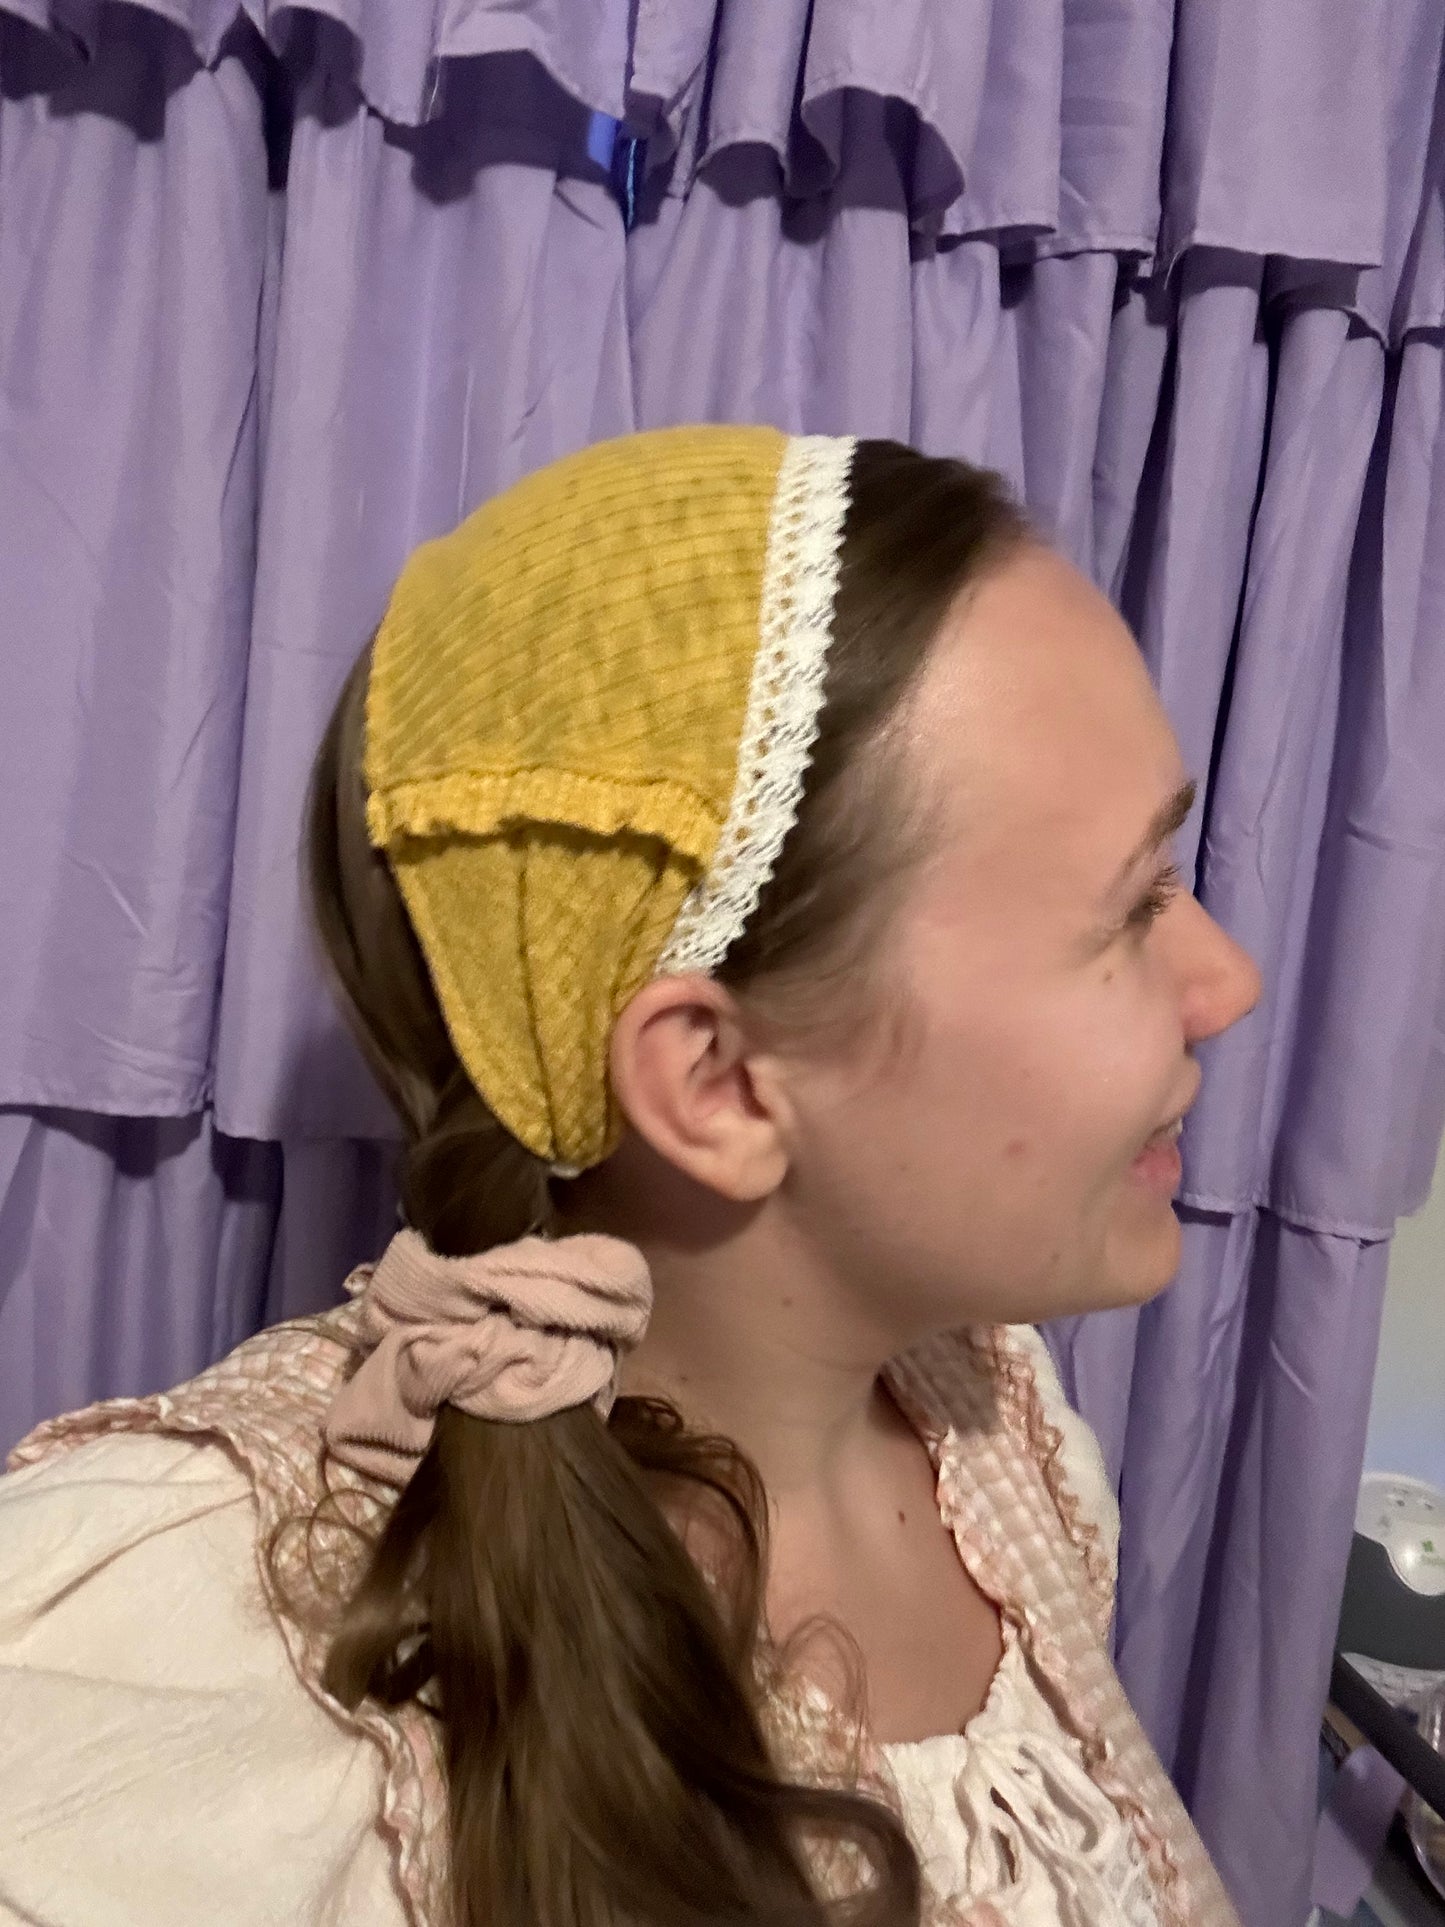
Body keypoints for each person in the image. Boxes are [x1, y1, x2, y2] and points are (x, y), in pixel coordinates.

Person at [0, 426, 1262, 1927]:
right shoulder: (190, 1667)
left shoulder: (999, 1424)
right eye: (1129, 907)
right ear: (716, 1084)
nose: (1227, 983)